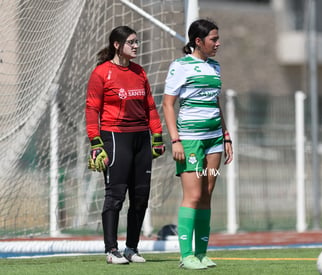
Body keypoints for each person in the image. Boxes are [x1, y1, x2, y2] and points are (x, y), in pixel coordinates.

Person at [85, 25, 165, 265]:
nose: (136, 46)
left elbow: (150, 106)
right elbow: (92, 108)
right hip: (115, 137)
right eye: (131, 42)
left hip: (142, 137)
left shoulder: (139, 72)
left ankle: (131, 248)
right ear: (117, 45)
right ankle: (111, 250)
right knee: (116, 196)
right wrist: (95, 142)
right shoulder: (102, 73)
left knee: (140, 196)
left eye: (137, 41)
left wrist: (157, 134)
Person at [162, 19, 233, 270]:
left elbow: (215, 103)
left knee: (206, 194)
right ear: (198, 41)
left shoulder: (215, 66)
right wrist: (175, 140)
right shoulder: (180, 66)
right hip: (190, 141)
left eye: (218, 38)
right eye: (213, 39)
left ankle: (202, 253)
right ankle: (186, 255)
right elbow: (168, 104)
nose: (218, 43)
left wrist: (225, 135)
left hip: (214, 139)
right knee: (192, 195)